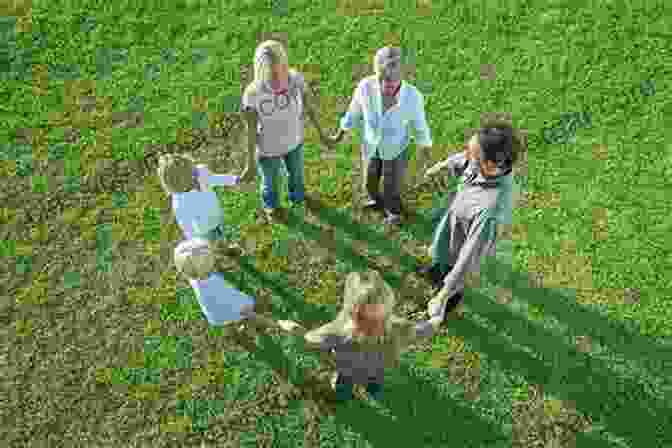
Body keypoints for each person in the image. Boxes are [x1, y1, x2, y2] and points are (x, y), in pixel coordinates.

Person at [241, 269, 445, 402]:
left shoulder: (337, 331)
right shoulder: (397, 327)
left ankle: (346, 392)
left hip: (347, 370)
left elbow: (303, 336)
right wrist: (436, 317)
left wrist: (277, 323)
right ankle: (372, 389)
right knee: (374, 380)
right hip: (377, 370)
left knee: (345, 383)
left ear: (350, 309)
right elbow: (421, 331)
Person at [418, 121, 521, 318]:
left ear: (490, 165)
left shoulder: (491, 211)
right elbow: (463, 159)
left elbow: (468, 259)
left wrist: (443, 295)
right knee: (442, 252)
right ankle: (438, 270)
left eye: (474, 154)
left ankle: (448, 298)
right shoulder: (480, 161)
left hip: (465, 243)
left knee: (455, 267)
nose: (468, 155)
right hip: (455, 221)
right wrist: (442, 168)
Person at [329, 46, 433, 225]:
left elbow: (419, 125)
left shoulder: (413, 97)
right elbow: (353, 111)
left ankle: (393, 210)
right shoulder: (365, 87)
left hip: (396, 148)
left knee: (391, 183)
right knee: (370, 177)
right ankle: (374, 200)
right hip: (371, 145)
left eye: (392, 80)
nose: (386, 85)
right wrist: (341, 133)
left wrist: (425, 145)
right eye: (382, 79)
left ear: (402, 76)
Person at [241, 40, 332, 221]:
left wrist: (322, 134)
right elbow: (250, 130)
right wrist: (250, 163)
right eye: (271, 75)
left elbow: (309, 108)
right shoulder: (253, 94)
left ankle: (297, 196)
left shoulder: (296, 79)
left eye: (281, 72)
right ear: (260, 73)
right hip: (268, 150)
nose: (278, 78)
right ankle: (272, 207)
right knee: (270, 183)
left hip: (294, 142)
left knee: (297, 174)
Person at [158, 153, 244, 256]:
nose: (194, 178)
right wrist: (195, 242)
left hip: (216, 217)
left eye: (191, 172)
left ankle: (224, 249)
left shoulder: (201, 175)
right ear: (175, 186)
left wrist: (235, 180)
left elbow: (216, 179)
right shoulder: (180, 202)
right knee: (211, 247)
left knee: (220, 236)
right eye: (186, 180)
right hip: (204, 230)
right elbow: (186, 225)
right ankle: (215, 259)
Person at [174, 238, 255, 326]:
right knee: (248, 307)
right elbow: (238, 305)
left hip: (214, 314)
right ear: (208, 267)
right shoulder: (214, 286)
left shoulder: (194, 275)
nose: (214, 256)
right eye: (211, 257)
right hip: (226, 314)